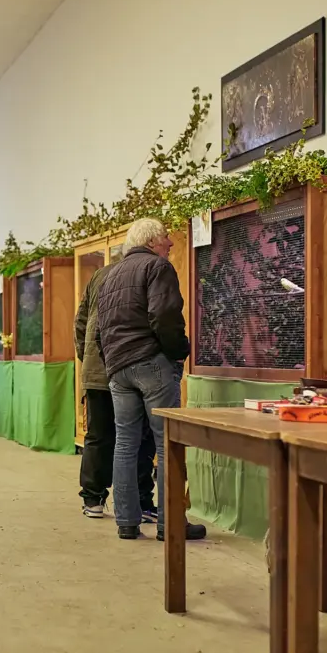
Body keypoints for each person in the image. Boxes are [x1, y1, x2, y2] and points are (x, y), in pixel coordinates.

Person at [95, 218, 205, 542]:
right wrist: (178, 352)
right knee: (167, 444)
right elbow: (165, 315)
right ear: (153, 241)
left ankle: (127, 522)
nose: (171, 244)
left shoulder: (109, 276)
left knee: (125, 444)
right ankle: (169, 525)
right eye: (167, 238)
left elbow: (100, 328)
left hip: (118, 368)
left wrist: (112, 363)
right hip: (152, 362)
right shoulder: (157, 267)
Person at [74, 253, 158, 522]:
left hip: (99, 369)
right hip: (132, 367)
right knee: (139, 437)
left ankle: (93, 497)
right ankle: (141, 500)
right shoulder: (147, 272)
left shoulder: (100, 275)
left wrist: (86, 357)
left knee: (100, 435)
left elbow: (81, 321)